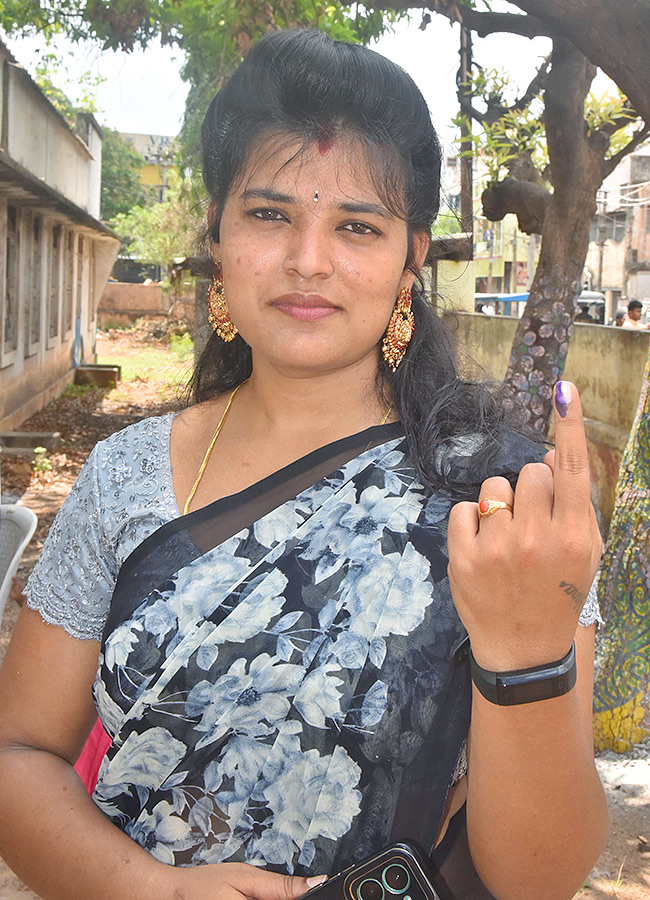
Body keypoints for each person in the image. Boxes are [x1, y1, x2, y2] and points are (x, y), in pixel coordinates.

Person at [0, 29, 607, 900]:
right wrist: (151, 888)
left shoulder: (509, 506)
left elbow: (540, 878)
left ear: (412, 258)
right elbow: (18, 751)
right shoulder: (125, 476)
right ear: (217, 232)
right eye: (270, 213)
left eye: (358, 225)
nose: (308, 261)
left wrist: (525, 650)